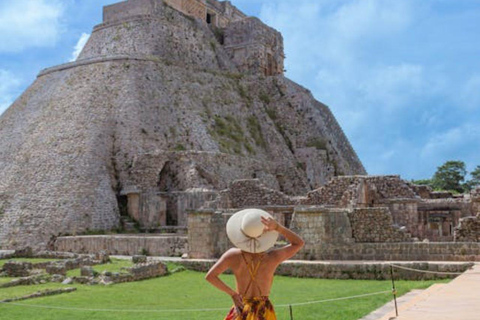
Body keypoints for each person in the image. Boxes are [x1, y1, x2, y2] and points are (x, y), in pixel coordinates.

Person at [205, 208, 305, 320]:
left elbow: (210, 276)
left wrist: (233, 294)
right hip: (264, 312)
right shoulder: (272, 257)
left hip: (241, 308)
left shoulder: (233, 255)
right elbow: (298, 243)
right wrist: (278, 227)